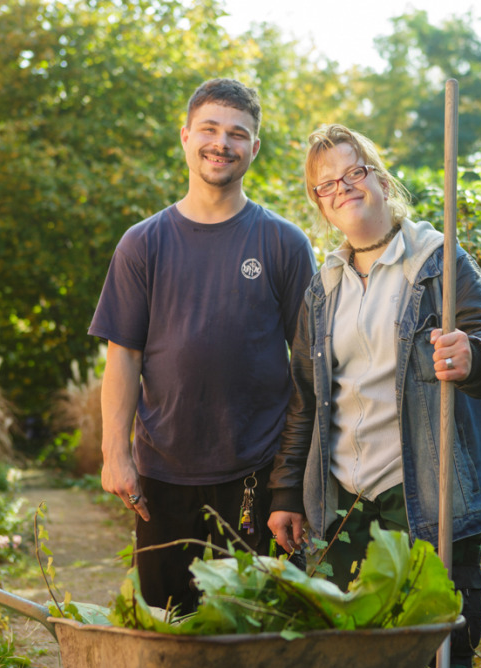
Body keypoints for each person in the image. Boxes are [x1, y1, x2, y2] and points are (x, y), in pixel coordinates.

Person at [267, 124, 481, 668]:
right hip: (342, 507)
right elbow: (304, 399)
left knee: (436, 662)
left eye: (353, 172)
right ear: (320, 206)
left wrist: (471, 354)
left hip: (424, 503)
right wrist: (285, 494)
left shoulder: (439, 263)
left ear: (378, 179)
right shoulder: (321, 287)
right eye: (326, 184)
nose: (343, 187)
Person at [89, 78, 316, 615]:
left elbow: (309, 366)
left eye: (238, 134)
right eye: (210, 129)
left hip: (256, 468)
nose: (223, 143)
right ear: (186, 136)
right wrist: (114, 453)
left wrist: (292, 481)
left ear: (254, 149)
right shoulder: (143, 242)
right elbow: (124, 355)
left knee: (255, 623)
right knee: (170, 624)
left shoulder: (283, 243)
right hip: (163, 472)